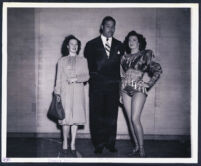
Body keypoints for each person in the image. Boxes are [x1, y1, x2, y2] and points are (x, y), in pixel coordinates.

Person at [84, 16, 123, 154]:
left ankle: (110, 143)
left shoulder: (120, 45)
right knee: (97, 116)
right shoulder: (91, 44)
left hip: (113, 87)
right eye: (108, 26)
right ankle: (99, 144)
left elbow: (122, 68)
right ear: (102, 26)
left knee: (112, 116)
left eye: (113, 26)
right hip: (97, 87)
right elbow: (88, 67)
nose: (111, 29)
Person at [120, 31, 162, 157]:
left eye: (134, 40)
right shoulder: (123, 57)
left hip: (138, 89)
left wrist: (148, 84)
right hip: (125, 89)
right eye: (129, 40)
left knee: (135, 118)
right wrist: (119, 93)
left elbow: (158, 69)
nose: (131, 42)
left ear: (139, 42)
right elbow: (121, 77)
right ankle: (137, 147)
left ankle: (142, 148)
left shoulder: (145, 54)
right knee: (129, 120)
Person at [54, 35, 89, 155]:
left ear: (78, 46)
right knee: (65, 119)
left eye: (76, 44)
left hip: (78, 92)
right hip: (65, 92)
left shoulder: (83, 60)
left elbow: (87, 76)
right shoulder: (61, 61)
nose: (74, 46)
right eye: (72, 44)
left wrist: (76, 78)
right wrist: (57, 92)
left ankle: (73, 142)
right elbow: (58, 78)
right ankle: (65, 141)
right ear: (67, 46)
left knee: (75, 120)